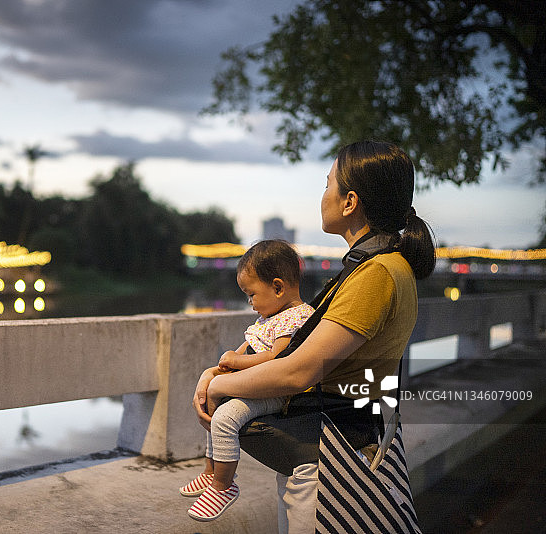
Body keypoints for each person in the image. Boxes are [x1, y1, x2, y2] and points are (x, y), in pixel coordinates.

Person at [192, 140, 436, 533]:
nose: (322, 195)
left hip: (333, 461)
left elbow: (297, 372)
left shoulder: (376, 274)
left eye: (328, 185)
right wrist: (217, 375)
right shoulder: (378, 267)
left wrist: (220, 385)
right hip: (339, 445)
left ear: (350, 201)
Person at [181, 239, 315, 522]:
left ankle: (224, 485)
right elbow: (247, 349)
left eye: (252, 294)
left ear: (278, 287)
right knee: (215, 408)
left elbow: (277, 358)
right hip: (255, 384)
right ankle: (210, 471)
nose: (250, 302)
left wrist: (236, 362)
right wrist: (224, 365)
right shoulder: (270, 317)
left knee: (226, 417)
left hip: (275, 391)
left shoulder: (298, 317)